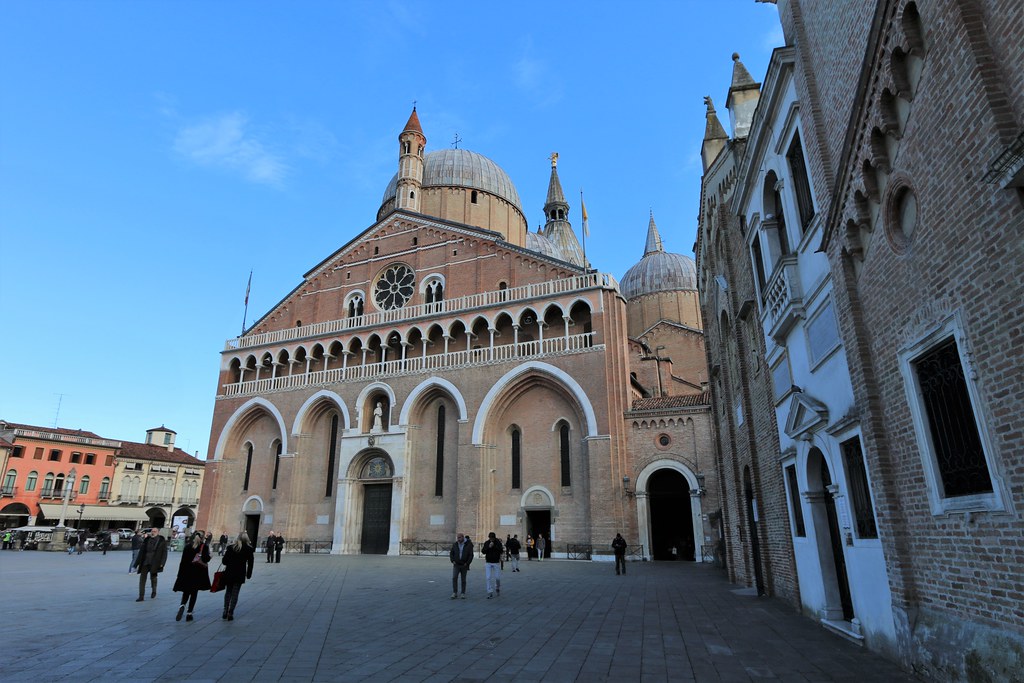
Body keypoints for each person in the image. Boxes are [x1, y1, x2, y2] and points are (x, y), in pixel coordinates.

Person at [172, 531, 212, 622]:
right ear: (202, 538)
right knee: (194, 593)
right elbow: (205, 559)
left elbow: (182, 561)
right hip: (197, 573)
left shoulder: (187, 547)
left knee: (186, 591)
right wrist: (210, 557)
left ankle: (182, 605)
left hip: (187, 572)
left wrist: (180, 574)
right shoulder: (204, 546)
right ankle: (189, 613)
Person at [221, 531, 255, 621]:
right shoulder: (248, 549)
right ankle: (230, 612)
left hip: (229, 572)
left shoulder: (230, 547)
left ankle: (225, 610)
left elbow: (224, 561)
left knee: (228, 592)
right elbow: (251, 563)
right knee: (235, 593)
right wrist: (249, 574)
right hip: (239, 574)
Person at [134, 528, 168, 602]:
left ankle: (154, 590)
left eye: (155, 531)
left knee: (153, 578)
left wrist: (162, 563)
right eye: (152, 531)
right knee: (142, 579)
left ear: (158, 532)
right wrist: (136, 563)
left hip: (155, 562)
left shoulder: (161, 541)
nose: (153, 533)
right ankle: (141, 596)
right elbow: (141, 552)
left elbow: (164, 553)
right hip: (145, 562)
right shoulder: (146, 540)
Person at [449, 532, 473, 599]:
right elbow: (451, 553)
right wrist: (452, 560)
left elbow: (471, 555)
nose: (458, 539)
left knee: (463, 579)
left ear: (463, 537)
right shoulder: (455, 544)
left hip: (464, 564)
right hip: (456, 564)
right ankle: (455, 592)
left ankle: (463, 593)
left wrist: (467, 563)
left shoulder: (468, 544)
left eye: (459, 537)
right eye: (457, 538)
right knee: (454, 577)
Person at [482, 532, 503, 599]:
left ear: (494, 537)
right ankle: (489, 592)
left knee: (497, 578)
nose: (491, 539)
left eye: (492, 538)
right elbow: (483, 551)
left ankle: (497, 587)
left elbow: (501, 550)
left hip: (496, 562)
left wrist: (494, 546)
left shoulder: (498, 542)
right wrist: (489, 547)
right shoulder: (486, 543)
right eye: (490, 538)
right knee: (488, 577)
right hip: (488, 562)